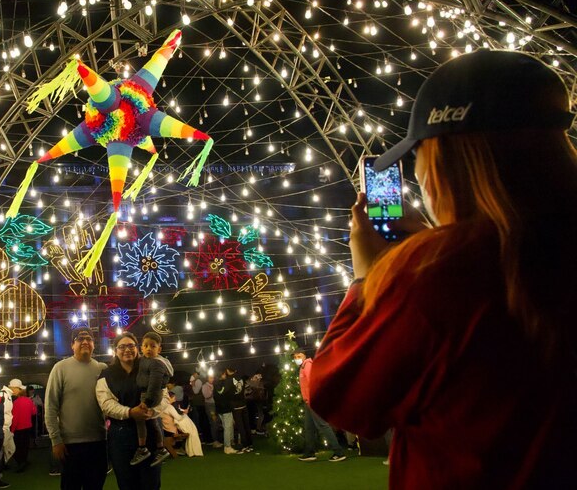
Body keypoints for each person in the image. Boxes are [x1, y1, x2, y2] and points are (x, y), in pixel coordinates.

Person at [308, 50, 577, 489]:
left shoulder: (439, 272)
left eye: (419, 156)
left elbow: (340, 396)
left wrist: (368, 275)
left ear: (448, 159)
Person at [96, 332, 162, 490]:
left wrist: (150, 411)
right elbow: (105, 403)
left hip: (150, 432)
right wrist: (130, 412)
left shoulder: (151, 366)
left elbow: (163, 395)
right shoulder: (107, 374)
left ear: (137, 348)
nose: (127, 349)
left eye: (131, 345)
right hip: (121, 436)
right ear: (115, 350)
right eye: (122, 346)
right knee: (126, 483)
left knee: (151, 482)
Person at [45, 328, 107, 490]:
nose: (85, 342)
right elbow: (51, 406)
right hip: (70, 445)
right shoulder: (60, 368)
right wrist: (55, 440)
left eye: (89, 339)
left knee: (95, 486)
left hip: (98, 442)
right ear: (72, 345)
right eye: (80, 339)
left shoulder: (102, 369)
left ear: (94, 344)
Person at [293, 350, 346, 462]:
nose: (296, 358)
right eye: (295, 357)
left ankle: (338, 452)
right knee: (309, 428)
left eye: (299, 356)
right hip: (308, 402)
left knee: (323, 425)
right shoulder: (303, 367)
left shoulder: (307, 366)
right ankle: (310, 453)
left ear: (304, 356)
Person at [130, 332, 172, 467]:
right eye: (146, 346)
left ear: (159, 349)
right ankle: (160, 448)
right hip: (148, 393)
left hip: (149, 394)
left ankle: (143, 447)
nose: (149, 349)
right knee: (153, 421)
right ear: (141, 347)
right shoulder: (144, 360)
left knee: (140, 419)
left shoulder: (156, 364)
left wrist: (147, 402)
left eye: (153, 346)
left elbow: (154, 385)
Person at [160, 392, 202, 458]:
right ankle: (194, 451)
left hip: (165, 429)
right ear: (168, 398)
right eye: (173, 398)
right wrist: (184, 413)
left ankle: (189, 450)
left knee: (191, 429)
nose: (175, 399)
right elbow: (178, 418)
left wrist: (182, 412)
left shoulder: (161, 407)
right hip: (171, 430)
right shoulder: (169, 407)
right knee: (192, 431)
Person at [9, 378, 36, 472]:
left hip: (18, 429)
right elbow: (34, 412)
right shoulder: (29, 401)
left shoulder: (15, 403)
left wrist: (12, 430)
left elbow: (15, 418)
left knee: (17, 447)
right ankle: (24, 461)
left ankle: (21, 463)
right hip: (28, 427)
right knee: (25, 446)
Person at [213, 369, 240, 455]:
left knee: (226, 427)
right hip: (226, 408)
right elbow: (233, 393)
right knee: (228, 427)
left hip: (219, 409)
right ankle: (227, 447)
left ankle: (229, 443)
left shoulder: (215, 384)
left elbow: (215, 396)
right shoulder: (227, 383)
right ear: (223, 374)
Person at [228, 368, 253, 452]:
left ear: (228, 370)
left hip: (235, 406)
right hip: (243, 404)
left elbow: (228, 393)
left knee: (240, 426)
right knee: (246, 425)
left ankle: (244, 445)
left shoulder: (229, 380)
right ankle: (250, 444)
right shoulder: (241, 378)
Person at [188, 373, 210, 443]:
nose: (193, 375)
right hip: (199, 403)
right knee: (201, 420)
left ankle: (207, 438)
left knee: (203, 420)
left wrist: (193, 384)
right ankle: (205, 438)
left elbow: (196, 391)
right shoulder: (197, 380)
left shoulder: (198, 381)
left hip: (200, 403)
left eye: (194, 374)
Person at [201, 375, 222, 448]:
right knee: (213, 422)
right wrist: (213, 390)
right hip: (210, 405)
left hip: (215, 404)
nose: (212, 379)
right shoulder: (205, 386)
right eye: (210, 378)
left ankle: (218, 440)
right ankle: (215, 441)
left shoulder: (213, 385)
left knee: (217, 422)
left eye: (213, 378)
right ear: (207, 378)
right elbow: (206, 396)